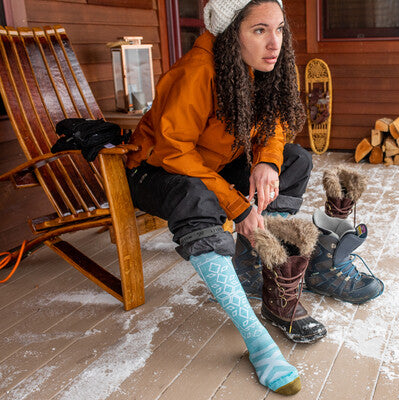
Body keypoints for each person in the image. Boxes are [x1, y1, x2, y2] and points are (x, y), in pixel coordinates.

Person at [124, 0, 321, 394]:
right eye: (260, 30)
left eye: (279, 29)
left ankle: (253, 267)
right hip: (157, 170)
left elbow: (274, 122)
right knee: (196, 196)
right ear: (232, 32)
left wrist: (267, 161)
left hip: (211, 164)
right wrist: (237, 205)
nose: (274, 43)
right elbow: (173, 152)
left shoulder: (257, 66)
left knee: (295, 160)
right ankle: (256, 338)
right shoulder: (196, 73)